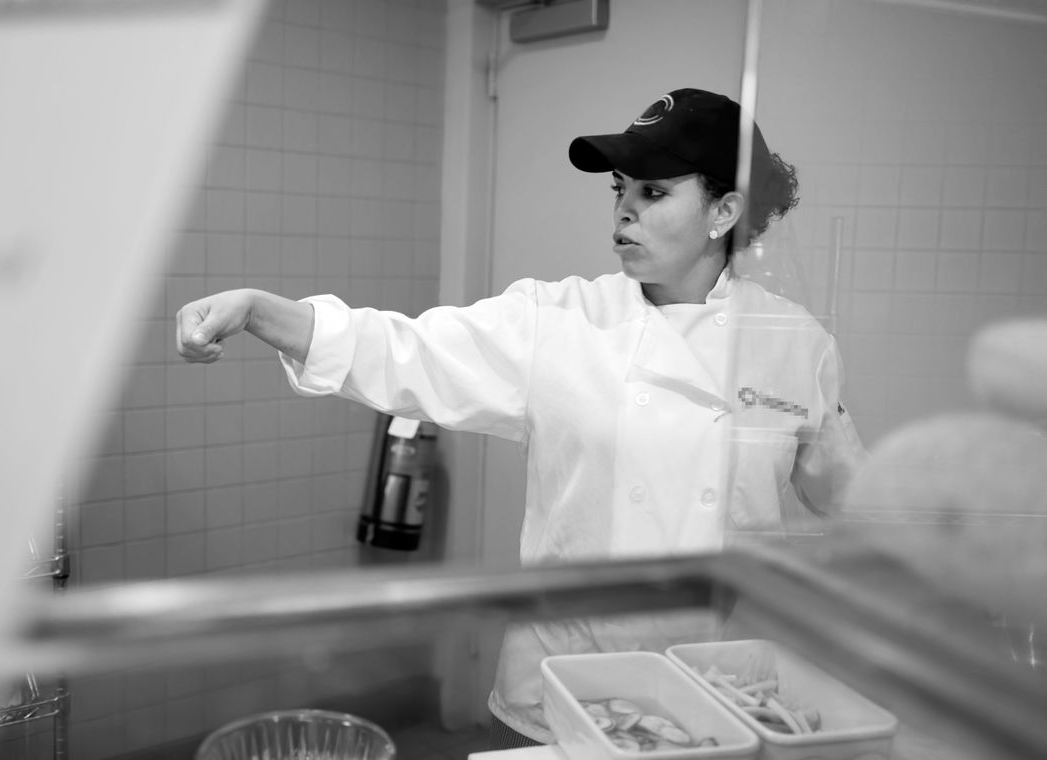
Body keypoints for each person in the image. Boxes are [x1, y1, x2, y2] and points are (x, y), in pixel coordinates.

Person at [176, 87, 866, 748]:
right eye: (620, 188)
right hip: (559, 690)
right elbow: (405, 350)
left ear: (724, 212)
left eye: (652, 192)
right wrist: (262, 310)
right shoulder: (557, 318)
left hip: (711, 699)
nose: (622, 211)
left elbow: (846, 500)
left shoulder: (794, 343)